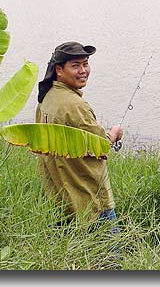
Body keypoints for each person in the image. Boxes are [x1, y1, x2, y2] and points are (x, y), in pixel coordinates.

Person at [36, 41, 123, 229]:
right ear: (59, 70)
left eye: (85, 64)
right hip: (90, 199)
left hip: (58, 198)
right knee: (110, 256)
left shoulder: (47, 98)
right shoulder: (76, 106)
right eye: (75, 66)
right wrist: (114, 133)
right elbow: (102, 147)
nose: (83, 70)